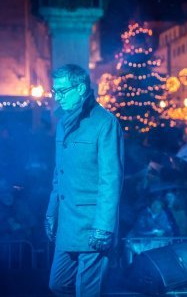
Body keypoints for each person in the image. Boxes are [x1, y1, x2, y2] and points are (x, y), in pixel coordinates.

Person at [44, 64, 124, 297]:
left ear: (80, 89)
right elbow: (59, 175)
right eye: (55, 91)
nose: (57, 97)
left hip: (92, 225)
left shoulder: (105, 123)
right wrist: (52, 212)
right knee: (57, 284)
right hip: (68, 223)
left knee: (88, 292)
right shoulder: (63, 124)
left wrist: (104, 227)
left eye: (62, 91)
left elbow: (111, 179)